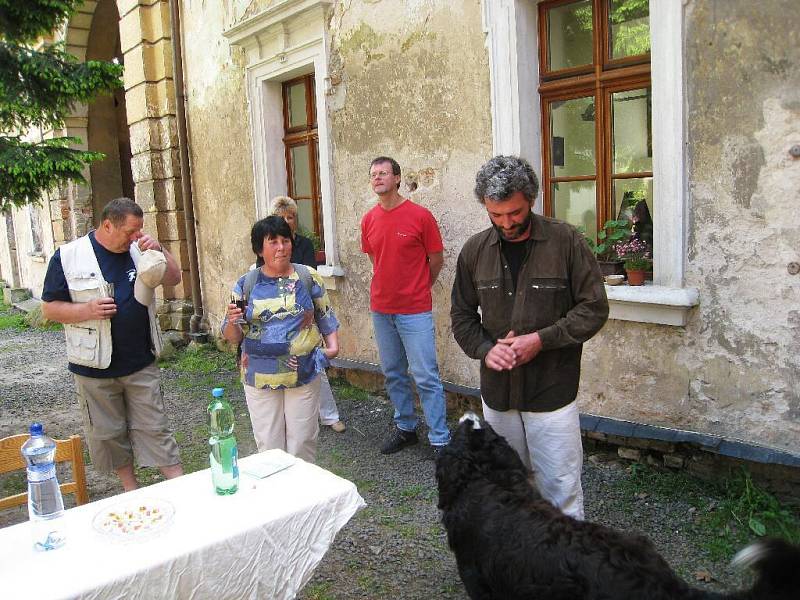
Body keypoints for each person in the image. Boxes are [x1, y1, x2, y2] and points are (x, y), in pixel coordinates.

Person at [450, 155, 608, 519]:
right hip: (498, 395)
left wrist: (542, 339)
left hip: (551, 392)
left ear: (531, 199)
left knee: (561, 490)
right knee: (506, 488)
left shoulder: (566, 241)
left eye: (515, 213)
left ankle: (568, 568)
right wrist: (485, 350)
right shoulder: (475, 251)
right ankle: (520, 563)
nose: (506, 223)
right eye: (496, 215)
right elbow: (461, 316)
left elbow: (594, 309)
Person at [41, 197, 184, 492]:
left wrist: (158, 249)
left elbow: (173, 277)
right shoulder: (68, 257)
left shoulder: (139, 250)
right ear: (107, 225)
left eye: (138, 230)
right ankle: (130, 491)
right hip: (93, 367)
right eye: (130, 231)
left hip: (140, 360)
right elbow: (49, 309)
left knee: (156, 428)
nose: (135, 237)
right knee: (109, 434)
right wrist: (87, 310)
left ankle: (180, 486)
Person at [222, 216, 339, 463]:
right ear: (259, 249)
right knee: (269, 446)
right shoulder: (246, 284)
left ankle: (302, 497)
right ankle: (276, 497)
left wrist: (332, 348)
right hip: (260, 374)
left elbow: (325, 315)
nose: (281, 247)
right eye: (272, 242)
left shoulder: (307, 277)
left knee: (303, 442)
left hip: (303, 371)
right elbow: (233, 337)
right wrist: (232, 320)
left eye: (285, 240)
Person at [361, 156, 450, 457]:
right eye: (373, 174)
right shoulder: (369, 220)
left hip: (414, 308)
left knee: (425, 375)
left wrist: (421, 285)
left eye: (383, 173)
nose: (377, 178)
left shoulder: (420, 217)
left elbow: (436, 259)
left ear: (397, 179)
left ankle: (440, 439)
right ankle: (406, 428)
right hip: (382, 308)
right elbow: (376, 258)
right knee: (394, 373)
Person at [268, 195, 345, 434]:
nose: (287, 221)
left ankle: (329, 416)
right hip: (277, 316)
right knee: (281, 366)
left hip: (303, 313)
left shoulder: (303, 245)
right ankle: (290, 418)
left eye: (290, 217)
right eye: (282, 218)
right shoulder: (267, 245)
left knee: (313, 365)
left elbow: (310, 277)